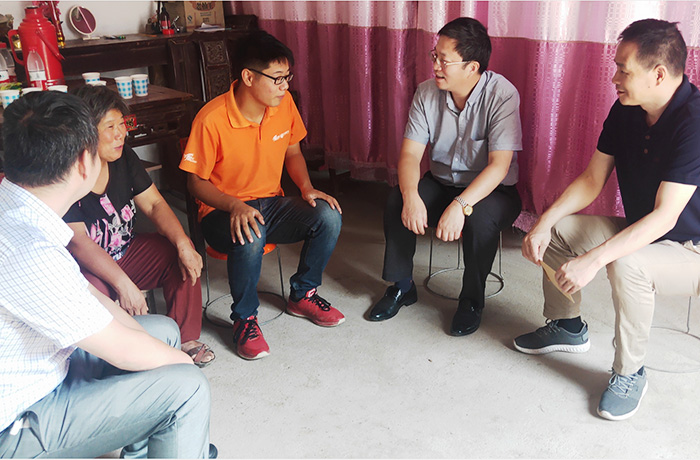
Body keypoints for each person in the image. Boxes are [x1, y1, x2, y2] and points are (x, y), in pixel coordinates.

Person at [0, 91, 213, 458]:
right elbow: (123, 350)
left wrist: (163, 351)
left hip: (44, 363)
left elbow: (86, 294)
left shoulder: (18, 204)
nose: (119, 134)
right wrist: (181, 365)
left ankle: (159, 441)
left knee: (163, 332)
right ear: (86, 161)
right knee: (188, 386)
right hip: (19, 420)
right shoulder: (30, 249)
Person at [515, 19, 700, 421]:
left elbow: (666, 217)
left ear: (658, 74)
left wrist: (594, 260)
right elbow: (591, 180)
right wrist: (543, 221)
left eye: (623, 70)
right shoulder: (626, 109)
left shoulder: (694, 122)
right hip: (643, 230)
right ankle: (566, 326)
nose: (614, 78)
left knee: (626, 263)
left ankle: (630, 372)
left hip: (690, 248)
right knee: (559, 231)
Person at [180, 30, 344, 360]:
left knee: (327, 216)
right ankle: (244, 319)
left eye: (288, 77)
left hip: (269, 203)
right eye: (278, 78)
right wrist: (234, 205)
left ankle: (303, 294)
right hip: (219, 211)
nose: (285, 86)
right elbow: (195, 183)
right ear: (248, 77)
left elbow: (293, 152)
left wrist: (307, 187)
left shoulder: (283, 106)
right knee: (250, 230)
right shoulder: (212, 119)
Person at [368, 17, 522, 336]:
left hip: (492, 192)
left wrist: (460, 205)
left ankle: (471, 301)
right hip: (441, 183)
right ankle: (401, 286)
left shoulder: (502, 95)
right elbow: (410, 155)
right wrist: (411, 196)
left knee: (480, 220)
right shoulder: (426, 93)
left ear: (471, 67)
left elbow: (499, 166)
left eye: (444, 60)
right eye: (434, 56)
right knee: (397, 199)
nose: (435, 65)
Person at [64, 85, 214, 367]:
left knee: (179, 253)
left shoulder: (123, 157)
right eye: (110, 126)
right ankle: (120, 356)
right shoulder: (68, 172)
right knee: (89, 296)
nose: (121, 133)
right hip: (89, 268)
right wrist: (124, 285)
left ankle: (183, 340)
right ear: (84, 131)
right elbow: (78, 242)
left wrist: (183, 243)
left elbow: (154, 204)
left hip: (127, 252)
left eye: (122, 124)